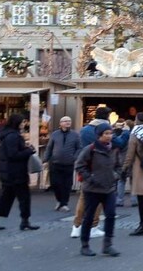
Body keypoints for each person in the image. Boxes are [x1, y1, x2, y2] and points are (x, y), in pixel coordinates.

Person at [0, 114, 38, 231]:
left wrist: (24, 148)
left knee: (6, 197)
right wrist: (28, 151)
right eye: (23, 122)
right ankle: (25, 221)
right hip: (15, 172)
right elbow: (13, 155)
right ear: (17, 123)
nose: (24, 124)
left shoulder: (7, 134)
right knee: (24, 197)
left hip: (8, 171)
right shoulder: (13, 136)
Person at [75, 126, 121, 257]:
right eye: (106, 133)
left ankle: (108, 244)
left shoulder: (114, 149)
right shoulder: (90, 149)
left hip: (109, 188)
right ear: (99, 135)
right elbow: (79, 165)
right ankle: (85, 244)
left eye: (110, 133)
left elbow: (118, 165)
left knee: (111, 215)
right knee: (89, 216)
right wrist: (90, 178)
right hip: (92, 189)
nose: (109, 136)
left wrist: (116, 175)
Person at [72, 107, 112, 238]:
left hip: (86, 168)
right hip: (99, 168)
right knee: (99, 200)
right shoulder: (105, 130)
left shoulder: (84, 130)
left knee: (84, 198)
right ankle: (93, 227)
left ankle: (76, 226)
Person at [42, 116, 82, 212]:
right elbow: (49, 148)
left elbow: (79, 148)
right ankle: (59, 200)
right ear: (61, 123)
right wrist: (45, 160)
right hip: (55, 163)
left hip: (68, 163)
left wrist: (74, 157)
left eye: (69, 121)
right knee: (55, 183)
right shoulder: (55, 134)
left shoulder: (75, 135)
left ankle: (64, 203)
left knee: (67, 185)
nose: (68, 122)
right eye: (65, 121)